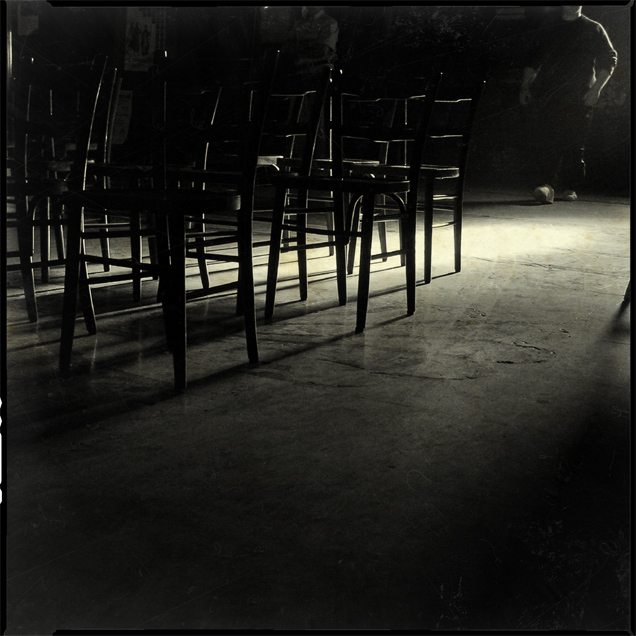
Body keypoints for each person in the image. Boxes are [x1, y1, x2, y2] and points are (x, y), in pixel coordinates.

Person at [519, 6, 617, 204]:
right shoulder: (549, 26)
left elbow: (609, 60)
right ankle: (547, 187)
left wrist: (596, 90)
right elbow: (533, 58)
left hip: (580, 94)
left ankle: (570, 186)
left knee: (575, 141)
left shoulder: (594, 28)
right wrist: (525, 87)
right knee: (549, 139)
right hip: (551, 92)